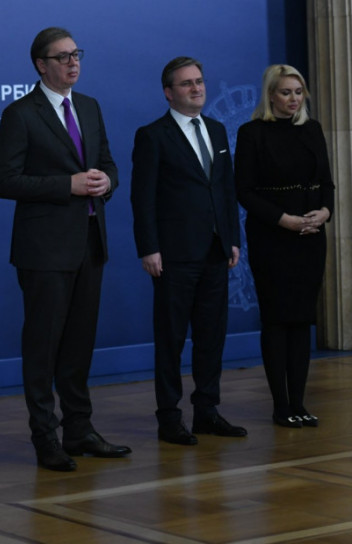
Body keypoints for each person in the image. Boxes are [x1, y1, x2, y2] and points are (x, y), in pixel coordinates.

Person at [0, 27, 130, 471]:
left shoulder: (89, 106)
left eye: (77, 54)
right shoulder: (20, 114)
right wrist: (65, 185)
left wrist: (107, 182)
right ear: (41, 65)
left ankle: (79, 430)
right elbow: (5, 181)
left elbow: (107, 163)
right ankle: (45, 437)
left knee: (79, 345)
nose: (74, 63)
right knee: (43, 347)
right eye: (63, 57)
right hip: (44, 249)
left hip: (90, 242)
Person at [130, 57, 247, 447]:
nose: (196, 88)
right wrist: (149, 248)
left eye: (199, 81)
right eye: (186, 84)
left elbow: (225, 190)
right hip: (174, 256)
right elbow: (142, 198)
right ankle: (169, 417)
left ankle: (207, 412)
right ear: (168, 92)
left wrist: (232, 238)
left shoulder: (216, 130)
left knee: (212, 337)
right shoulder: (153, 136)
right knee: (171, 340)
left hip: (215, 251)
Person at [234, 64, 334, 428]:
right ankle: (281, 406)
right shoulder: (252, 133)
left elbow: (326, 183)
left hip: (311, 237)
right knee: (277, 320)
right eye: (286, 92)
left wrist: (325, 212)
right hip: (273, 237)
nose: (294, 99)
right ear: (270, 95)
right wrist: (284, 220)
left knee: (302, 320)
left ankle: (299, 403)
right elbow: (244, 191)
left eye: (298, 92)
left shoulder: (312, 129)